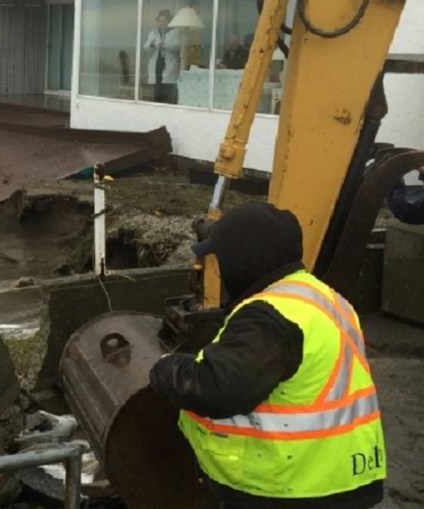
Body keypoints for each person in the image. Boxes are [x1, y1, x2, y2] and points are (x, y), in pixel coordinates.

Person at [150, 201, 385, 509]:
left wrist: (166, 369)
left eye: (223, 258)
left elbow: (218, 389)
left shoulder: (270, 315)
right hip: (340, 475)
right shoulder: (321, 297)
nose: (220, 269)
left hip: (291, 487)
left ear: (244, 258)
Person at [143, 9, 181, 104]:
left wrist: (163, 44)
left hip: (168, 64)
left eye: (164, 21)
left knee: (167, 90)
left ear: (169, 21)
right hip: (156, 64)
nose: (161, 23)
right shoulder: (154, 33)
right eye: (160, 21)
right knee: (157, 90)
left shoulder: (175, 32)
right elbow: (146, 48)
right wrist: (152, 44)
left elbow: (176, 47)